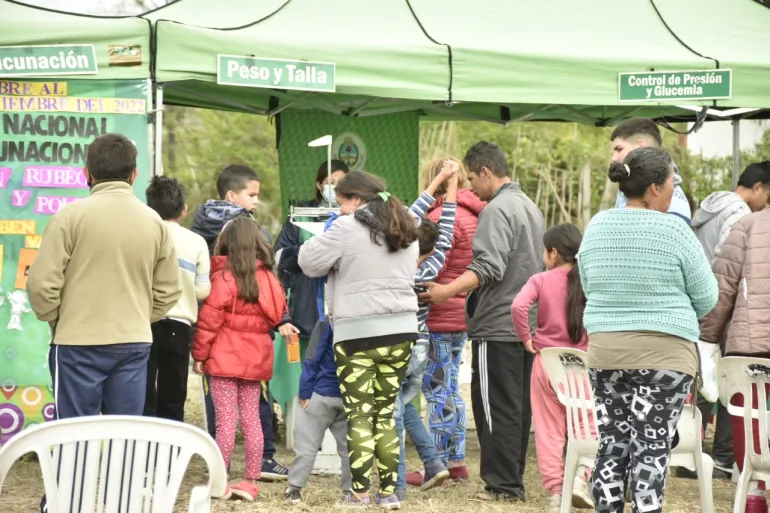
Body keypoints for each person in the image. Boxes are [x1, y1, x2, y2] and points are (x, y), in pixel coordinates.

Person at [27, 134, 183, 513]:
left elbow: (42, 286)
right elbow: (169, 291)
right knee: (126, 434)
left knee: (72, 434)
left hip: (75, 344)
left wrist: (59, 318)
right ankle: (122, 503)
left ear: (87, 172)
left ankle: (65, 505)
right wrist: (138, 317)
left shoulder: (68, 217)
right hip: (133, 344)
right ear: (134, 175)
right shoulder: (154, 222)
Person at [578, 147, 718, 513]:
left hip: (607, 353)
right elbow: (707, 296)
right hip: (666, 359)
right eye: (672, 182)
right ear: (655, 187)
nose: (674, 189)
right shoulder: (675, 230)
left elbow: (588, 285)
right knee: (651, 448)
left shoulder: (597, 226)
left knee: (612, 444)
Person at [420, 141, 545, 502]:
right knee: (516, 407)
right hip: (525, 323)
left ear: (486, 172)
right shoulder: (529, 205)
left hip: (498, 322)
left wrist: (446, 291)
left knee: (493, 407)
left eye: (472, 178)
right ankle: (510, 480)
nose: (471, 188)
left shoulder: (497, 209)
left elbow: (488, 266)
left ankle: (501, 484)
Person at [298, 171, 420, 510]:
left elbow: (307, 261)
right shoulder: (406, 224)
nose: (339, 208)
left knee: (360, 416)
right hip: (402, 332)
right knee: (386, 415)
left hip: (357, 335)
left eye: (341, 202)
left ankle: (360, 494)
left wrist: (333, 227)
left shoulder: (345, 227)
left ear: (355, 199)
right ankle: (389, 494)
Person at [190, 164, 289, 481]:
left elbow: (209, 322)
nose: (256, 201)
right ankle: (254, 474)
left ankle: (220, 475)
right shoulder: (267, 279)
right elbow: (278, 311)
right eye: (252, 194)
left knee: (225, 420)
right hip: (256, 359)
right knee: (252, 417)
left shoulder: (222, 277)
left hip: (222, 359)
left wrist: (200, 355)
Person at [686, 160, 770, 480]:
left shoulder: (725, 214)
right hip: (743, 323)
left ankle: (747, 481)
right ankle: (725, 460)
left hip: (743, 331)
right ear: (759, 187)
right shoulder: (740, 215)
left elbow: (724, 282)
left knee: (736, 400)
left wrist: (708, 334)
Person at [405, 158, 484, 489]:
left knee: (436, 391)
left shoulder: (435, 220)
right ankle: (457, 461)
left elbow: (439, 238)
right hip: (461, 313)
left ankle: (436, 463)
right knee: (451, 387)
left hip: (435, 315)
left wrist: (439, 185)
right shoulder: (477, 216)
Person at [511, 224, 592, 513]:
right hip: (582, 364)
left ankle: (556, 492)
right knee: (587, 424)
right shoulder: (589, 280)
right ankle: (581, 478)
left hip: (547, 362)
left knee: (549, 430)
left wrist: (526, 338)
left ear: (554, 253)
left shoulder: (540, 280)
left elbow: (518, 307)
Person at [393, 160, 459, 501]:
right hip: (421, 346)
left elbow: (410, 214)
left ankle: (397, 482)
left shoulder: (398, 266)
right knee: (405, 406)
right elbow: (446, 229)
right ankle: (434, 464)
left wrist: (438, 180)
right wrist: (453, 184)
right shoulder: (434, 265)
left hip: (397, 344)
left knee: (393, 412)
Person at [699, 197, 770, 513]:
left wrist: (707, 335)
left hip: (748, 344)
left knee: (748, 417)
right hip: (749, 340)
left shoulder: (747, 225)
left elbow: (723, 287)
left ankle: (753, 494)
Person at [144, 176, 211, 422]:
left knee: (144, 391)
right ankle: (170, 443)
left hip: (144, 322)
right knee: (173, 393)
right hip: (179, 325)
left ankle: (143, 442)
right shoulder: (196, 242)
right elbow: (202, 291)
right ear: (184, 210)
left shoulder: (143, 236)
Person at [275, 160, 350, 351]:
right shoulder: (300, 216)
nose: (335, 187)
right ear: (319, 184)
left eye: (341, 183)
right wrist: (311, 251)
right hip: (306, 311)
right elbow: (278, 258)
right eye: (330, 182)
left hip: (346, 313)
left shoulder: (354, 217)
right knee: (308, 364)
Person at [283, 321, 352, 504]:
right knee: (350, 449)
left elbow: (312, 358)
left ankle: (294, 490)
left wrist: (305, 391)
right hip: (350, 396)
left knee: (306, 446)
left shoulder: (326, 323)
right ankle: (350, 492)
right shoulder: (362, 322)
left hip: (320, 393)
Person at [610, 117, 692, 225]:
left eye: (619, 149)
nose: (614, 158)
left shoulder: (674, 205)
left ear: (641, 147)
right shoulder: (628, 184)